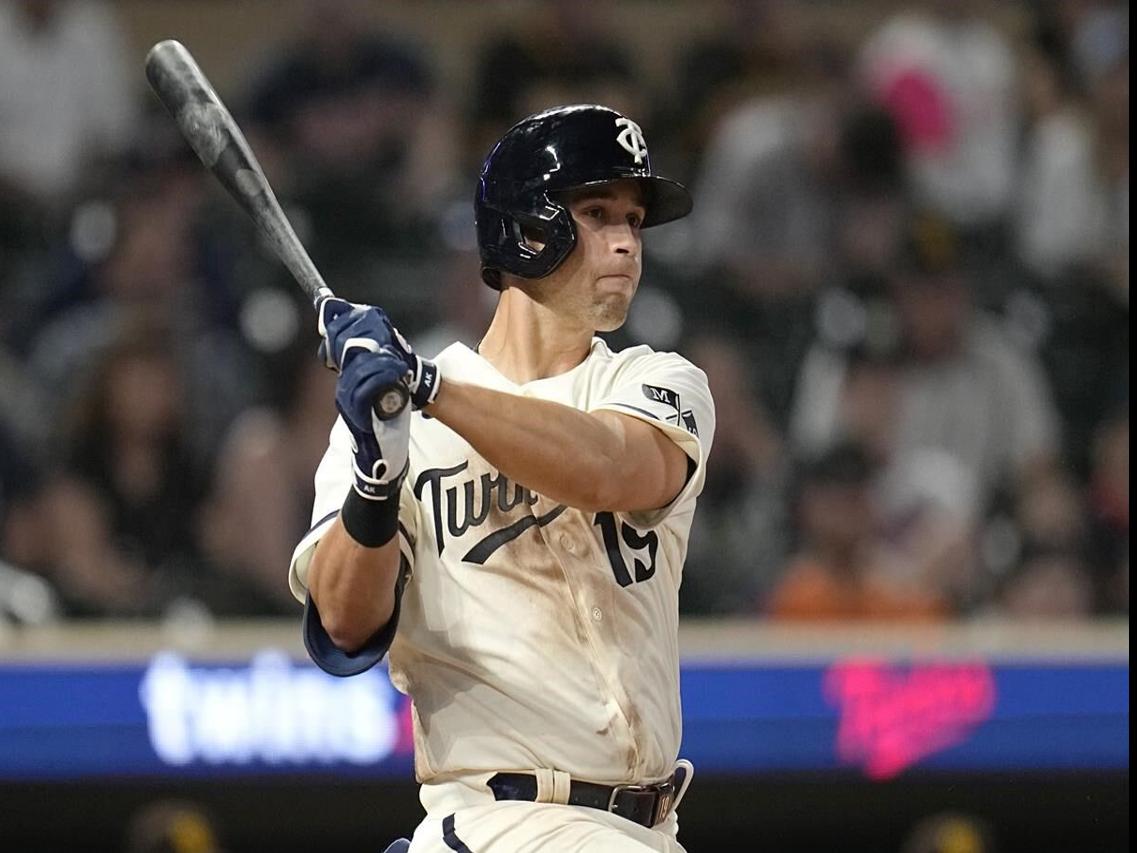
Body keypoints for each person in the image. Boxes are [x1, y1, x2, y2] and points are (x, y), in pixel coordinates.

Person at [289, 105, 715, 853]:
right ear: (527, 226)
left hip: (643, 828)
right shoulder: (398, 422)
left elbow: (612, 465)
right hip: (500, 820)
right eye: (595, 212)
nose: (625, 241)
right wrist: (374, 481)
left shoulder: (655, 381)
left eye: (633, 221)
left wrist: (428, 389)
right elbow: (343, 624)